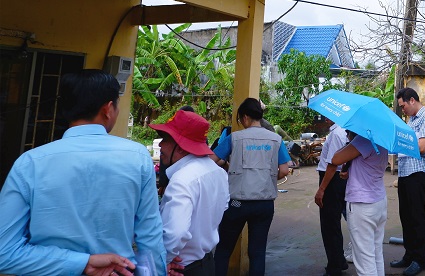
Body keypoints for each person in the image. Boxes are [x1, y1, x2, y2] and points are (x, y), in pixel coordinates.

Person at [0, 69, 166, 276]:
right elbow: (150, 238)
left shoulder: (30, 163)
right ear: (108, 109)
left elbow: (4, 254)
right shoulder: (137, 157)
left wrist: (81, 263)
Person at [213, 97, 292, 276]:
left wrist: (227, 166)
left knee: (224, 249)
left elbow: (213, 160)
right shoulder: (275, 139)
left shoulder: (235, 138)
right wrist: (269, 179)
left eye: (240, 119)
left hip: (237, 203)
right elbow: (285, 170)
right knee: (257, 252)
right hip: (264, 204)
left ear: (246, 117)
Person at [150, 109, 229, 276]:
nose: (160, 145)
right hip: (206, 263)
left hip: (181, 268)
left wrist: (162, 262)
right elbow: (222, 207)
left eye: (165, 139)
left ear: (181, 148)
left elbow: (176, 234)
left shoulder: (182, 180)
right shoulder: (217, 172)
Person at [316, 130, 388, 276]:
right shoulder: (380, 138)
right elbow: (366, 165)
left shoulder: (362, 141)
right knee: (375, 253)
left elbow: (336, 158)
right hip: (378, 200)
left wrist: (350, 140)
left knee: (364, 259)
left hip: (362, 204)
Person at [390, 87, 425, 276]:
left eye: (403, 106)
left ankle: (420, 259)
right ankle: (409, 255)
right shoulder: (411, 120)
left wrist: (402, 143)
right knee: (406, 217)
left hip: (417, 172)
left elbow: (423, 147)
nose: (402, 110)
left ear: (411, 100)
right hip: (405, 173)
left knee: (417, 217)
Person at [315, 117, 350, 276]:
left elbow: (333, 164)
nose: (324, 117)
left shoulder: (337, 133)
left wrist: (322, 189)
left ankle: (334, 266)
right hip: (337, 180)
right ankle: (339, 260)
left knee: (330, 224)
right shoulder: (342, 131)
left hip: (331, 180)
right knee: (334, 222)